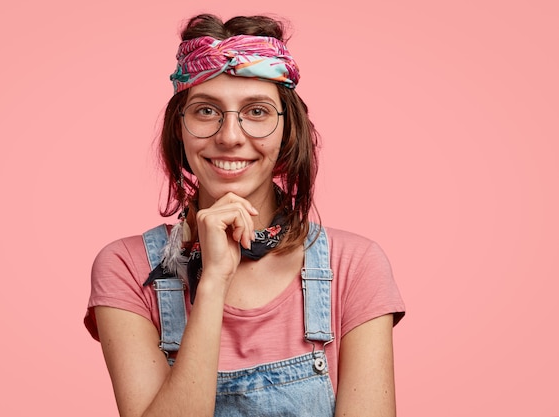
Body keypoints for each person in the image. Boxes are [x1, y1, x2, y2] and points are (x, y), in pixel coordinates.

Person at [84, 13, 405, 417]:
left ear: (288, 130)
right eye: (205, 111)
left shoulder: (354, 267)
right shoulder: (126, 268)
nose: (230, 137)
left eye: (257, 112)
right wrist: (214, 280)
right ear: (178, 128)